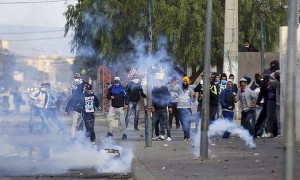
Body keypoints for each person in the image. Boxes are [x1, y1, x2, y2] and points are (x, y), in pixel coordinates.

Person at [177, 76, 196, 141]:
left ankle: (187, 136)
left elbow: (193, 100)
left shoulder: (190, 90)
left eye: (186, 81)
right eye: (183, 81)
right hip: (180, 108)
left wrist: (194, 97)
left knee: (187, 122)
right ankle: (186, 135)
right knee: (183, 123)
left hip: (187, 108)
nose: (184, 83)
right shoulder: (179, 88)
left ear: (188, 83)